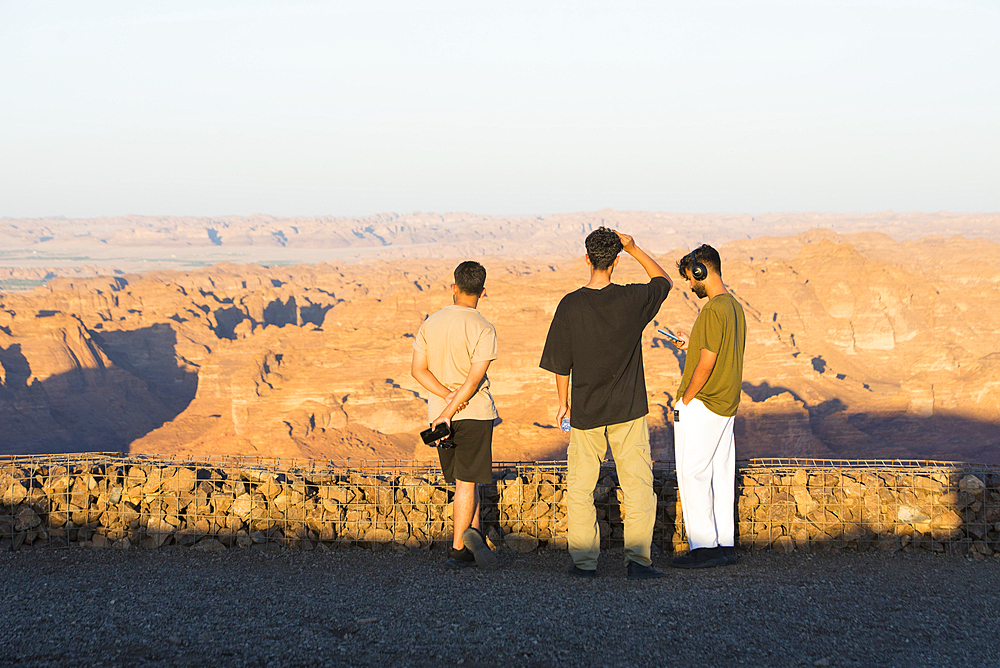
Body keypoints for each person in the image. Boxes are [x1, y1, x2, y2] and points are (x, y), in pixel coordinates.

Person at [539, 227, 672, 580]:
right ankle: (639, 562)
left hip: (586, 412)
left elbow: (560, 363)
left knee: (581, 489)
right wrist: (635, 248)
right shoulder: (632, 300)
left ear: (587, 259)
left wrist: (562, 403)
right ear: (615, 261)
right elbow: (663, 280)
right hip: (628, 411)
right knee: (639, 487)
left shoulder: (570, 304)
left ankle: (584, 562)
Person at [411, 261, 499, 571]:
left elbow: (417, 371)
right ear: (482, 292)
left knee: (466, 481)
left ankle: (473, 543)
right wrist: (453, 406)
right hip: (472, 415)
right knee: (466, 482)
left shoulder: (430, 324)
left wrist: (444, 400)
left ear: (454, 287)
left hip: (439, 416)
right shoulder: (484, 328)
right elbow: (473, 382)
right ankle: (459, 551)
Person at [670, 244, 746, 569]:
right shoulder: (734, 307)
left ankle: (703, 548)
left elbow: (708, 361)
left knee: (693, 472)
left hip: (705, 403)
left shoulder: (714, 309)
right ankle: (724, 544)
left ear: (702, 271)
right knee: (720, 473)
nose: (690, 285)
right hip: (726, 404)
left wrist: (686, 399)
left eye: (691, 278)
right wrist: (692, 342)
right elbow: (715, 347)